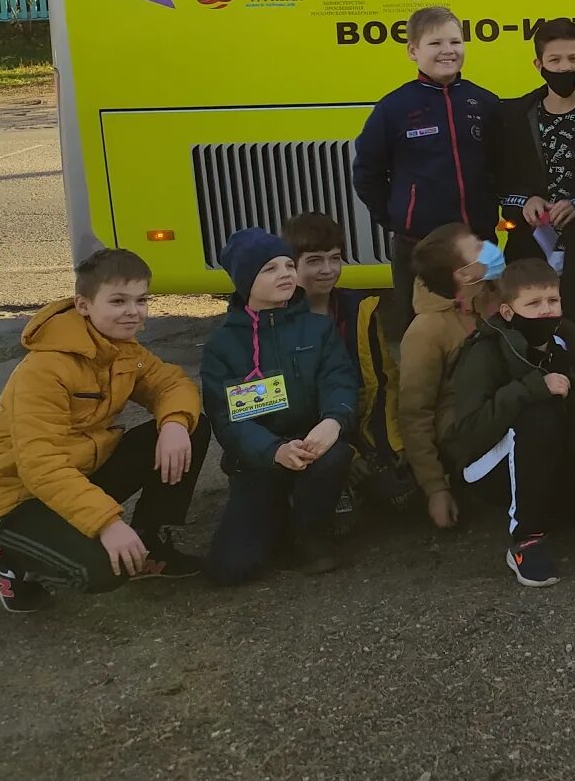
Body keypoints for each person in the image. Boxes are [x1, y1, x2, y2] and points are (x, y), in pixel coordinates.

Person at [0, 248, 209, 611]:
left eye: (141, 299)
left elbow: (171, 384)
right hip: (20, 498)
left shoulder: (122, 348)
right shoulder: (44, 370)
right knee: (104, 572)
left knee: (191, 428)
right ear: (83, 305)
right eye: (118, 300)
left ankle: (150, 544)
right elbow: (40, 465)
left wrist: (175, 424)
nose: (133, 311)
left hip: (80, 471)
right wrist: (107, 523)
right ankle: (10, 559)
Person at [441, 259, 575, 587]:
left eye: (552, 301)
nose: (546, 311)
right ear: (508, 312)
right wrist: (532, 387)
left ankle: (547, 506)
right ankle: (526, 539)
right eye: (533, 304)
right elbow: (467, 433)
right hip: (488, 465)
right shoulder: (485, 352)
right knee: (541, 410)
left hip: (552, 459)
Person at [199, 229, 358, 584]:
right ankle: (277, 515)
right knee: (231, 570)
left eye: (288, 265)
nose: (286, 274)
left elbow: (340, 380)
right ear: (245, 281)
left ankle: (311, 533)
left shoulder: (317, 329)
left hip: (311, 443)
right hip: (260, 460)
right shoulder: (223, 346)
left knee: (334, 455)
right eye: (270, 269)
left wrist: (333, 421)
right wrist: (273, 451)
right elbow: (227, 420)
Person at [350, 4, 500, 349]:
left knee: (485, 330)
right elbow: (366, 172)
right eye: (435, 44)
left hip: (480, 243)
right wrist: (395, 217)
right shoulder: (393, 109)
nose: (447, 50)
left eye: (455, 41)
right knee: (419, 336)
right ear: (413, 51)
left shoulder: (484, 102)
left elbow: (500, 166)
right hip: (417, 246)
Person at [488, 17, 575, 331]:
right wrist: (525, 200)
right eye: (555, 60)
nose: (565, 68)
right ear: (538, 63)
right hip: (531, 247)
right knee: (532, 330)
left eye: (574, 59)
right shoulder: (515, 117)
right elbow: (499, 177)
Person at [284, 211, 409, 517]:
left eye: (335, 258)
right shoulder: (280, 320)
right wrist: (351, 457)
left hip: (362, 426)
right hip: (312, 437)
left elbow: (384, 381)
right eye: (314, 260)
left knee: (400, 496)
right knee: (338, 505)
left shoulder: (360, 309)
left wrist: (392, 444)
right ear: (292, 265)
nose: (328, 270)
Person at [395, 221, 497, 530]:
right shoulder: (426, 331)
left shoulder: (496, 297)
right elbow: (415, 414)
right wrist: (435, 488)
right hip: (466, 433)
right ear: (462, 274)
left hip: (502, 413)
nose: (489, 250)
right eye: (478, 248)